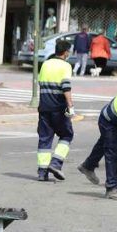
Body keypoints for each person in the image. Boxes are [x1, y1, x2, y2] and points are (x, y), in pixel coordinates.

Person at [36, 40, 76, 181]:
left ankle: (42, 172)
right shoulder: (65, 66)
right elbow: (66, 86)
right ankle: (56, 163)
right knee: (67, 135)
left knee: (45, 139)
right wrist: (70, 105)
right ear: (65, 52)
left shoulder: (45, 64)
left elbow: (41, 83)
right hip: (58, 108)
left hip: (44, 107)